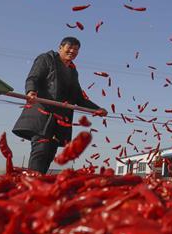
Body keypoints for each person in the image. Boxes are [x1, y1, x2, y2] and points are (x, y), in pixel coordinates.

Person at [12, 37, 107, 173]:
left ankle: (38, 183)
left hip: (59, 121)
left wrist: (97, 109)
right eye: (70, 47)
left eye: (76, 49)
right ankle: (31, 184)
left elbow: (78, 97)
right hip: (42, 115)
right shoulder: (46, 59)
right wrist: (31, 91)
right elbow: (34, 77)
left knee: (49, 152)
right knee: (41, 150)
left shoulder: (72, 71)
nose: (72, 51)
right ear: (60, 47)